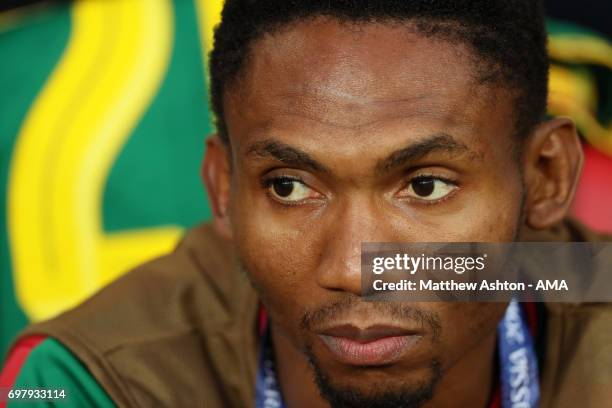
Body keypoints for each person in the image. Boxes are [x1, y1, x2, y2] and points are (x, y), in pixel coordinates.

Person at [1, 1, 611, 407]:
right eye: (289, 187)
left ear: (545, 177)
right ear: (221, 185)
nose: (353, 269)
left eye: (425, 186)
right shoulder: (91, 382)